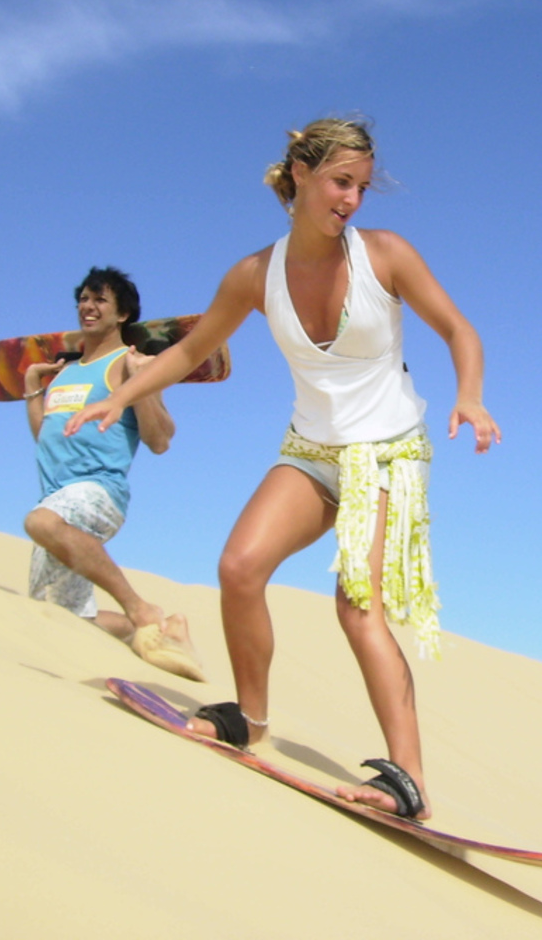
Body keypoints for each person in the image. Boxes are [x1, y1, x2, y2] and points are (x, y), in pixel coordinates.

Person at [67, 118, 500, 820]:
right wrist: (116, 397)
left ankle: (409, 780)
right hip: (310, 449)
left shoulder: (385, 256)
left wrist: (471, 395)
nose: (353, 199)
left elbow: (458, 328)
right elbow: (188, 351)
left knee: (358, 608)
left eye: (362, 186)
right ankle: (251, 719)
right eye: (340, 182)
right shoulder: (253, 274)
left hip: (385, 451)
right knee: (239, 568)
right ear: (299, 174)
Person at [23, 266, 204, 681]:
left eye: (100, 300)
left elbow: (160, 440)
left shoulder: (128, 364)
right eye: (84, 299)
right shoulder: (64, 373)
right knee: (55, 615)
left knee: (40, 522)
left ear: (122, 314)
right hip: (55, 494)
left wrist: (141, 385)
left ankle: (140, 609)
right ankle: (158, 629)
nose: (88, 306)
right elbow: (47, 437)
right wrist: (34, 388)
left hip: (97, 491)